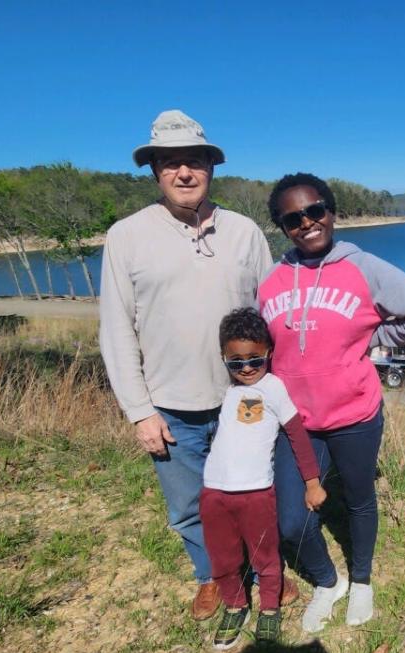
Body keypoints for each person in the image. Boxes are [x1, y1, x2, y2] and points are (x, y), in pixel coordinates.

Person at [99, 110, 298, 620]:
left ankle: (266, 569)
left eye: (194, 161)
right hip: (172, 404)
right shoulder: (126, 236)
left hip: (244, 400)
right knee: (193, 506)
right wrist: (140, 410)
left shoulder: (245, 232)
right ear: (154, 172)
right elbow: (117, 329)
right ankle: (213, 576)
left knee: (256, 493)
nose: (183, 173)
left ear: (211, 167)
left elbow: (271, 312)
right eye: (170, 163)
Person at [259, 173, 405, 632]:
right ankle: (328, 581)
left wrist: (375, 337)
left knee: (360, 500)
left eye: (315, 210)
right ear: (283, 226)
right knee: (290, 519)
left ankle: (361, 580)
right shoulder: (272, 279)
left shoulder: (365, 267)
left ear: (332, 211)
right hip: (296, 422)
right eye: (293, 218)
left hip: (355, 414)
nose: (307, 223)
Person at [201, 308, 322, 649]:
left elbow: (298, 435)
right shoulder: (224, 391)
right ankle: (235, 604)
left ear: (268, 352)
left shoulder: (274, 387)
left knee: (264, 554)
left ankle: (269, 608)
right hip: (214, 492)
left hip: (256, 492)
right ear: (224, 359)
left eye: (255, 359)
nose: (247, 368)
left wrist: (312, 482)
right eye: (235, 362)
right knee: (223, 556)